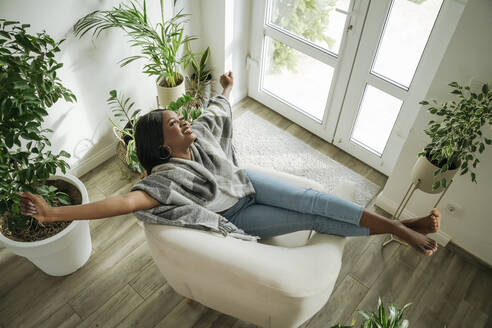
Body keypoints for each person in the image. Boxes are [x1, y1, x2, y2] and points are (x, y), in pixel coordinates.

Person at [18, 71, 441, 256]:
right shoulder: (163, 180)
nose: (183, 118)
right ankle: (402, 228)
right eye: (173, 122)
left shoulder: (196, 136)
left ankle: (403, 228)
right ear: (162, 147)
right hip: (241, 214)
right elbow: (118, 205)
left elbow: (216, 110)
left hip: (247, 182)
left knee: (315, 199)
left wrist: (225, 87)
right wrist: (56, 211)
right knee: (310, 217)